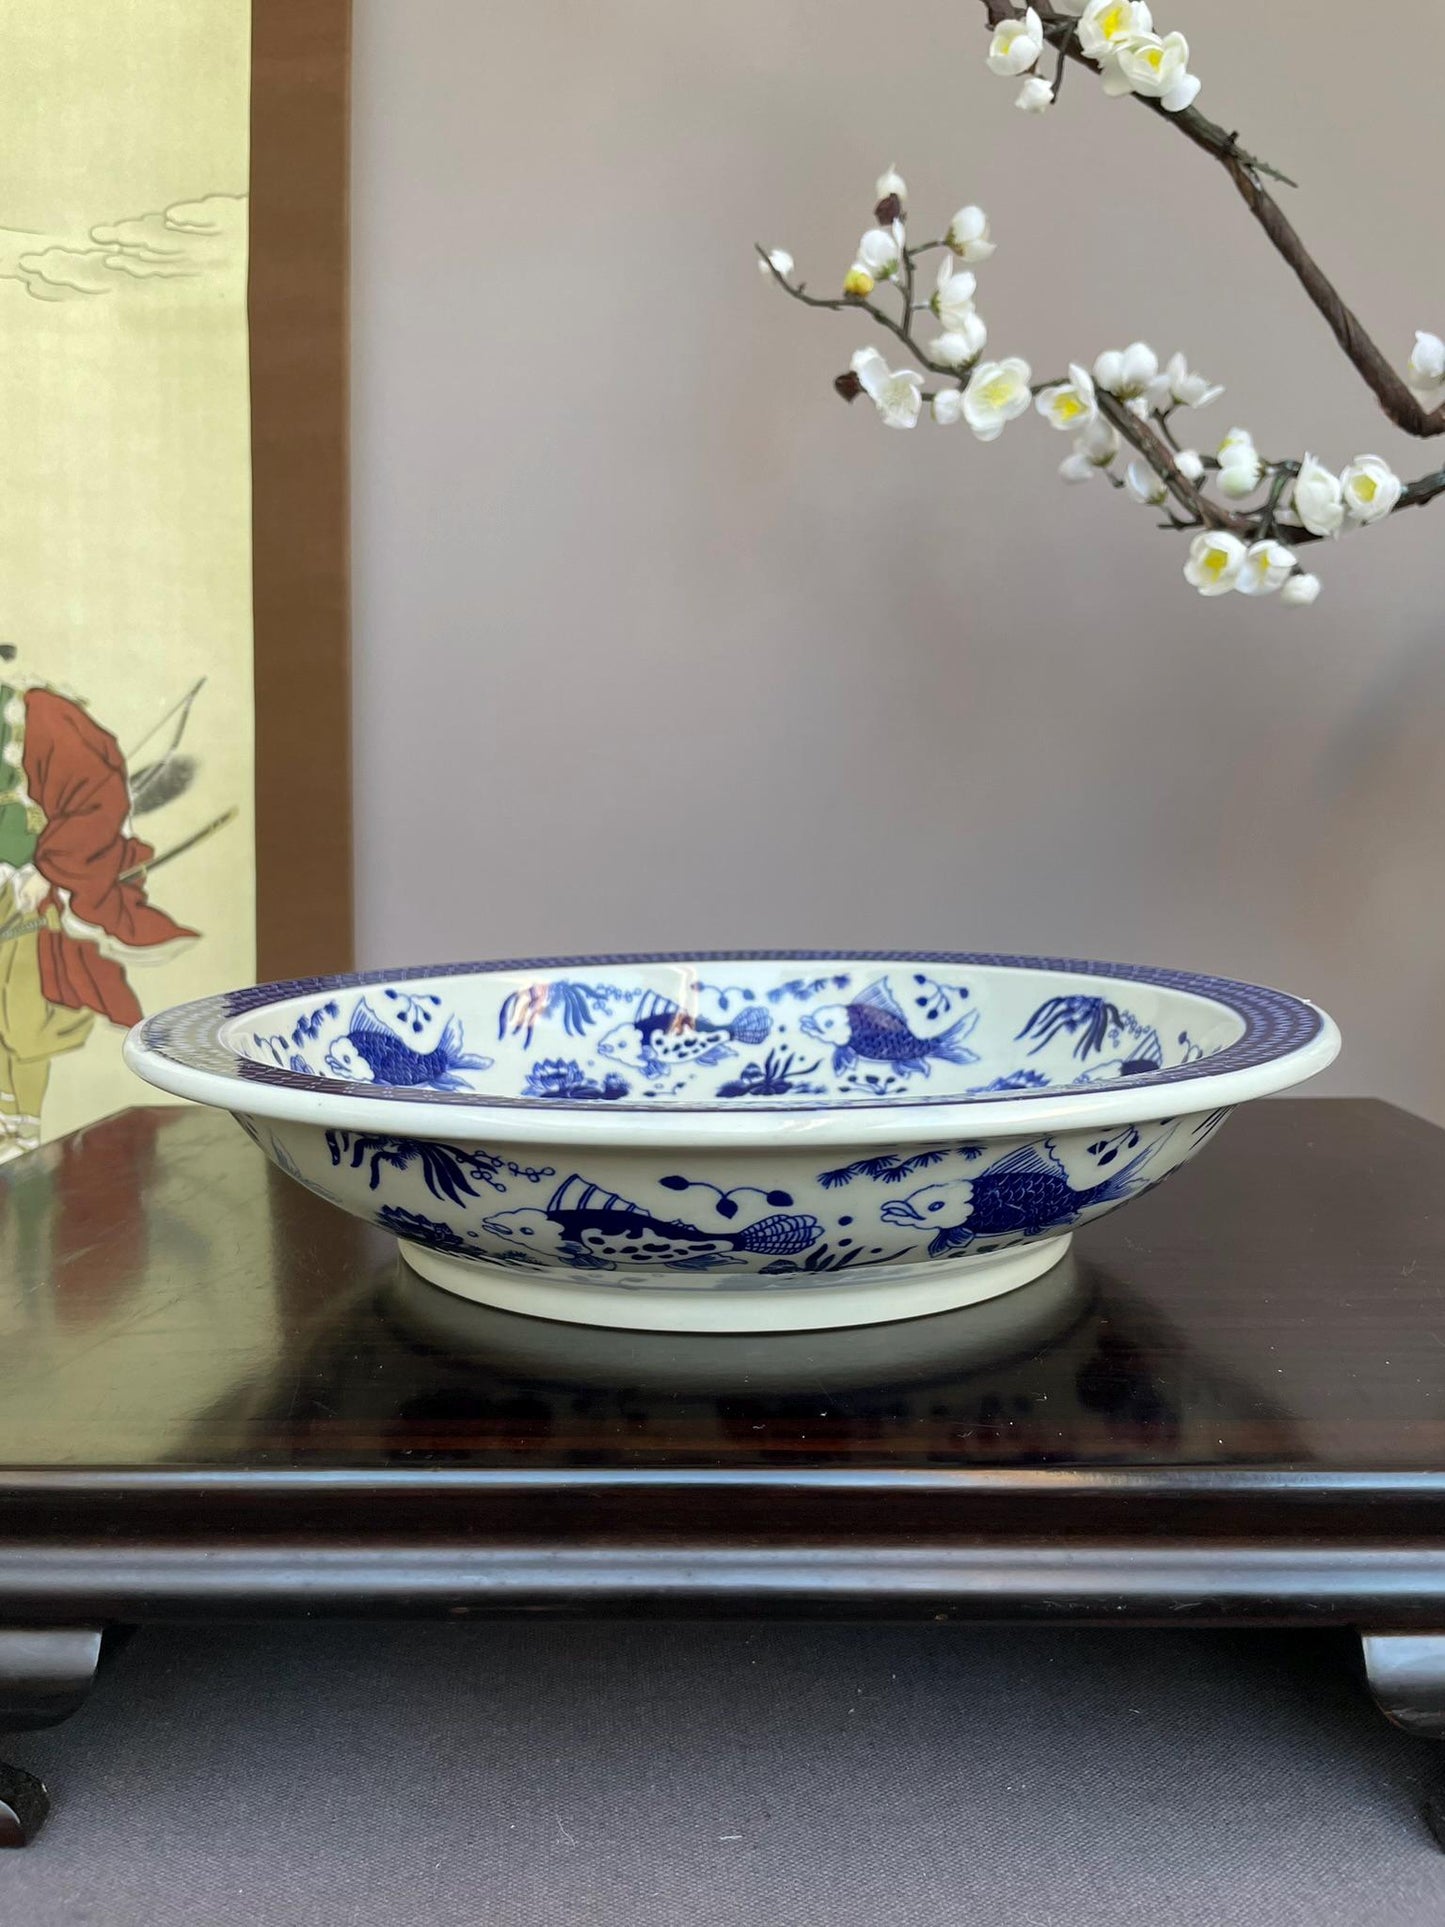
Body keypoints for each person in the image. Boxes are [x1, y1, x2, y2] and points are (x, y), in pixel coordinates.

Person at [0, 645, 195, 1161]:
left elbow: (97, 795)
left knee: (22, 1018)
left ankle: (21, 1133)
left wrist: (48, 870)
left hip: (24, 890)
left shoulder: (39, 714)